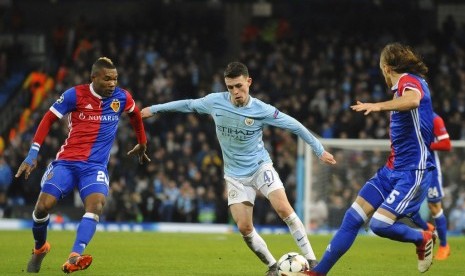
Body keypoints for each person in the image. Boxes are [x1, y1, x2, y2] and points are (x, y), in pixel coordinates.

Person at [141, 61, 336, 276]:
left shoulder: (261, 109)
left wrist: (319, 150)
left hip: (261, 167)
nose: (235, 92)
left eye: (239, 86)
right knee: (244, 228)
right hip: (234, 175)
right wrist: (154, 109)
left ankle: (312, 260)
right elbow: (188, 104)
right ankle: (273, 266)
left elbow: (295, 125)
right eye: (230, 87)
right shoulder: (214, 102)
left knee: (284, 209)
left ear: (248, 82)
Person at [307, 43, 436, 275]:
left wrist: (378, 106)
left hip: (412, 171)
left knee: (379, 224)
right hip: (391, 169)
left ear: (386, 68)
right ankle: (317, 273)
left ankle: (422, 237)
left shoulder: (409, 81)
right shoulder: (403, 87)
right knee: (352, 217)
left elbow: (414, 100)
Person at [15, 57, 150, 274]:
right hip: (67, 162)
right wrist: (33, 153)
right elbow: (48, 119)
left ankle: (75, 255)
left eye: (115, 79)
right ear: (93, 77)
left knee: (96, 205)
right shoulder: (74, 95)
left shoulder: (121, 97)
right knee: (42, 207)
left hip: (94, 167)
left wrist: (142, 143)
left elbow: (135, 115)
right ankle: (40, 248)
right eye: (107, 79)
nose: (112, 83)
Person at [409, 112, 451, 260]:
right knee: (407, 207)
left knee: (435, 207)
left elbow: (446, 144)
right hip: (411, 168)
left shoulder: (434, 119)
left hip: (430, 169)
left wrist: (427, 144)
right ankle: (428, 228)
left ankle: (444, 246)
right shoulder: (407, 116)